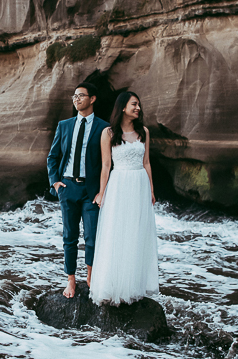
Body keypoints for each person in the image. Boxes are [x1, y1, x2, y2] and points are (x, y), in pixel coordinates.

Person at [89, 91, 159, 306]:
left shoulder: (144, 132)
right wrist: (102, 192)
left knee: (136, 233)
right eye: (134, 104)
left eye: (138, 105)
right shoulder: (108, 133)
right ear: (122, 107)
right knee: (116, 232)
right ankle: (112, 286)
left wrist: (151, 189)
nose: (138, 108)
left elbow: (146, 162)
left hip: (139, 184)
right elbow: (106, 166)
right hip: (119, 184)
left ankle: (133, 285)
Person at [47, 82, 110, 298]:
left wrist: (103, 190)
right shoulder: (64, 125)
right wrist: (55, 182)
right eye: (74, 96)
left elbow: (107, 163)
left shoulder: (104, 127)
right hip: (68, 187)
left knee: (92, 236)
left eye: (81, 96)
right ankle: (71, 281)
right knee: (69, 236)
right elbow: (52, 157)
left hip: (91, 191)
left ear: (92, 99)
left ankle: (90, 277)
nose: (76, 99)